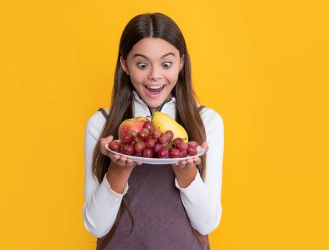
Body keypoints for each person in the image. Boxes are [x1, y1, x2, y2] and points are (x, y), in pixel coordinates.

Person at [83, 13, 224, 250]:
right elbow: (96, 227)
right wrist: (118, 169)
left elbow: (207, 223)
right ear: (124, 65)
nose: (155, 75)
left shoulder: (206, 122)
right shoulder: (101, 124)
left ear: (181, 62)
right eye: (142, 65)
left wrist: (187, 169)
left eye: (166, 64)